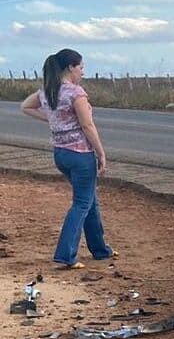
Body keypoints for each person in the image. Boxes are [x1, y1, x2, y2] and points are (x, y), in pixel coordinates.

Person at [20, 49, 116, 270]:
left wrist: (53, 119)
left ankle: (100, 250)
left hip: (61, 154)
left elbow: (25, 106)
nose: (82, 71)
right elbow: (87, 126)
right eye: (81, 67)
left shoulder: (48, 91)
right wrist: (100, 152)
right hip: (80, 154)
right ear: (71, 67)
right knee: (82, 203)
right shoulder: (75, 93)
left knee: (89, 200)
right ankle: (65, 254)